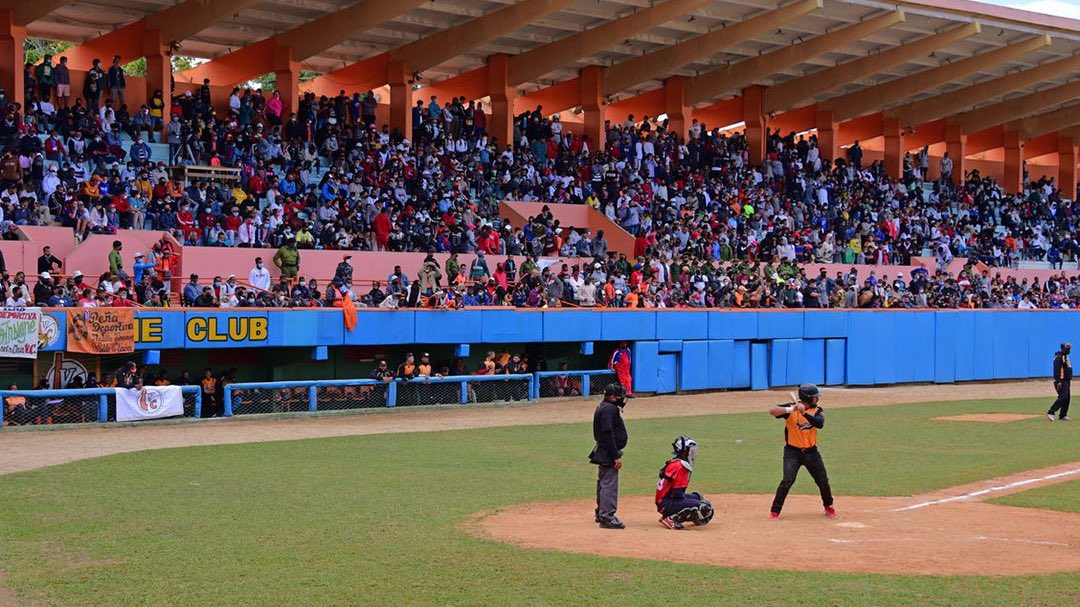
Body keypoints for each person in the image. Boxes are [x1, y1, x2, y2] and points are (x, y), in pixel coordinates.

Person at [768, 384, 836, 519]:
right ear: (808, 398)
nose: (817, 399)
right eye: (815, 397)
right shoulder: (792, 408)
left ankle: (828, 506)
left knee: (822, 480)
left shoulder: (817, 411)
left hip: (812, 453)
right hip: (792, 453)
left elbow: (819, 424)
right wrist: (791, 409)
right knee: (787, 480)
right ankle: (775, 511)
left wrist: (804, 413)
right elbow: (772, 410)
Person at [589, 383, 629, 529]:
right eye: (619, 396)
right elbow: (608, 433)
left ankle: (601, 513)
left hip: (604, 450)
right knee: (609, 484)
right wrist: (615, 456)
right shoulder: (609, 409)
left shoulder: (604, 407)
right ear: (612, 397)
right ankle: (607, 516)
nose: (622, 399)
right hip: (608, 451)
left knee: (603, 482)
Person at [655, 436, 714, 530]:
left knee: (700, 498)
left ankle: (675, 514)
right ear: (684, 451)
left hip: (665, 500)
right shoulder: (681, 466)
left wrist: (693, 502)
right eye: (691, 450)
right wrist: (691, 504)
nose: (693, 453)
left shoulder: (675, 462)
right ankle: (671, 519)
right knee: (704, 508)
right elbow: (678, 493)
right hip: (667, 503)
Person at [1047, 342, 1072, 421]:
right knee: (1063, 397)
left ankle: (1063, 415)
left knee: (1067, 398)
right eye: (1067, 349)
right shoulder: (1059, 357)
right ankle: (1051, 412)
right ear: (1063, 349)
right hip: (1061, 381)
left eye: (1069, 349)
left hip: (1066, 380)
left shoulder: (1065, 357)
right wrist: (1058, 381)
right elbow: (1056, 370)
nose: (1068, 350)